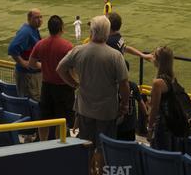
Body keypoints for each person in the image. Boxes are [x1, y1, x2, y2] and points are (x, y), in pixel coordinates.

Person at [56, 16, 129, 169]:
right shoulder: (115, 56)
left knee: (86, 145)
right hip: (107, 111)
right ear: (108, 32)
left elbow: (60, 69)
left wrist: (74, 84)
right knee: (104, 148)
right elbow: (124, 85)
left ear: (91, 31)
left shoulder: (79, 50)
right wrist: (124, 104)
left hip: (85, 109)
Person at [28, 15, 75, 141]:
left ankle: (43, 144)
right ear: (61, 28)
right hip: (63, 89)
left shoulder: (40, 44)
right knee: (62, 121)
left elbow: (31, 64)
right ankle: (58, 146)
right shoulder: (67, 46)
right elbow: (73, 69)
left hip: (46, 87)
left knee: (44, 120)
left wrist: (44, 66)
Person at [147, 46, 182, 150]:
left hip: (162, 126)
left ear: (159, 61)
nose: (152, 57)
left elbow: (155, 109)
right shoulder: (172, 79)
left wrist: (150, 128)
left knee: (161, 157)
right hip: (173, 124)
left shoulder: (158, 83)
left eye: (154, 56)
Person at [7, 9, 43, 101]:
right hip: (28, 76)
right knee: (32, 101)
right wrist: (23, 62)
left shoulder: (33, 30)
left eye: (41, 17)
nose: (39, 20)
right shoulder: (26, 32)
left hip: (31, 74)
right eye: (36, 18)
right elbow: (12, 48)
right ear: (29, 19)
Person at [116, 61, 147, 141]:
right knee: (129, 148)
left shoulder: (113, 87)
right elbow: (141, 103)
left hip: (118, 124)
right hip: (130, 125)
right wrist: (147, 116)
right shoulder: (133, 85)